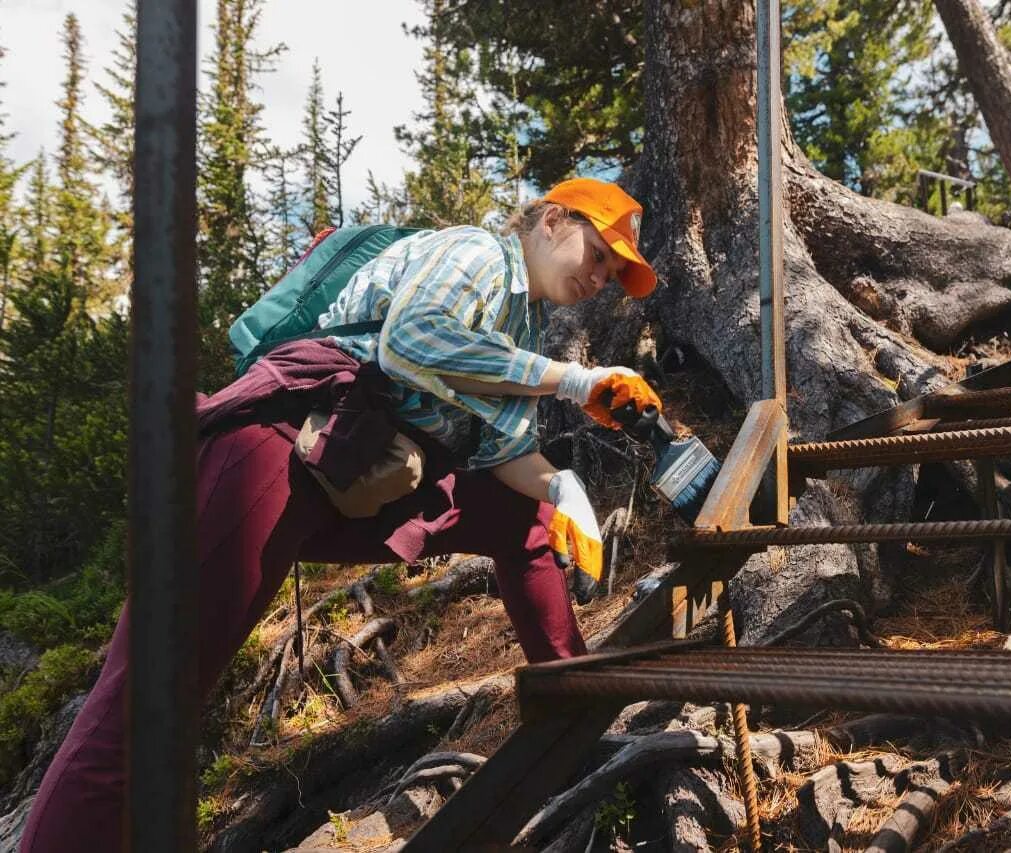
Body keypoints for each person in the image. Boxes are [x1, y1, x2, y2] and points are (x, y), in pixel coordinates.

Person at [20, 177, 662, 852]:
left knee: (518, 517)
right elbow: (412, 342)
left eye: (614, 273)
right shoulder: (477, 253)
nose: (601, 278)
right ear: (554, 221)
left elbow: (506, 453)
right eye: (598, 254)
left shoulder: (521, 322)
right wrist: (572, 379)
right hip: (268, 453)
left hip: (346, 476)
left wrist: (561, 487)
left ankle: (573, 709)